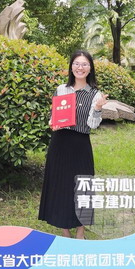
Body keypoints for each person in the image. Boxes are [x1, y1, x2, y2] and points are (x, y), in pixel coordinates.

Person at [38, 50, 108, 239]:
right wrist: (52, 123)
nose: (80, 67)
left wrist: (98, 108)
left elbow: (92, 124)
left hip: (80, 145)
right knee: (61, 185)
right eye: (76, 63)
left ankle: (80, 232)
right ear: (71, 67)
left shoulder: (95, 94)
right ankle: (65, 231)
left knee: (82, 187)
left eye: (84, 64)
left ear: (90, 68)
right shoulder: (61, 89)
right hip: (60, 143)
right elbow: (53, 116)